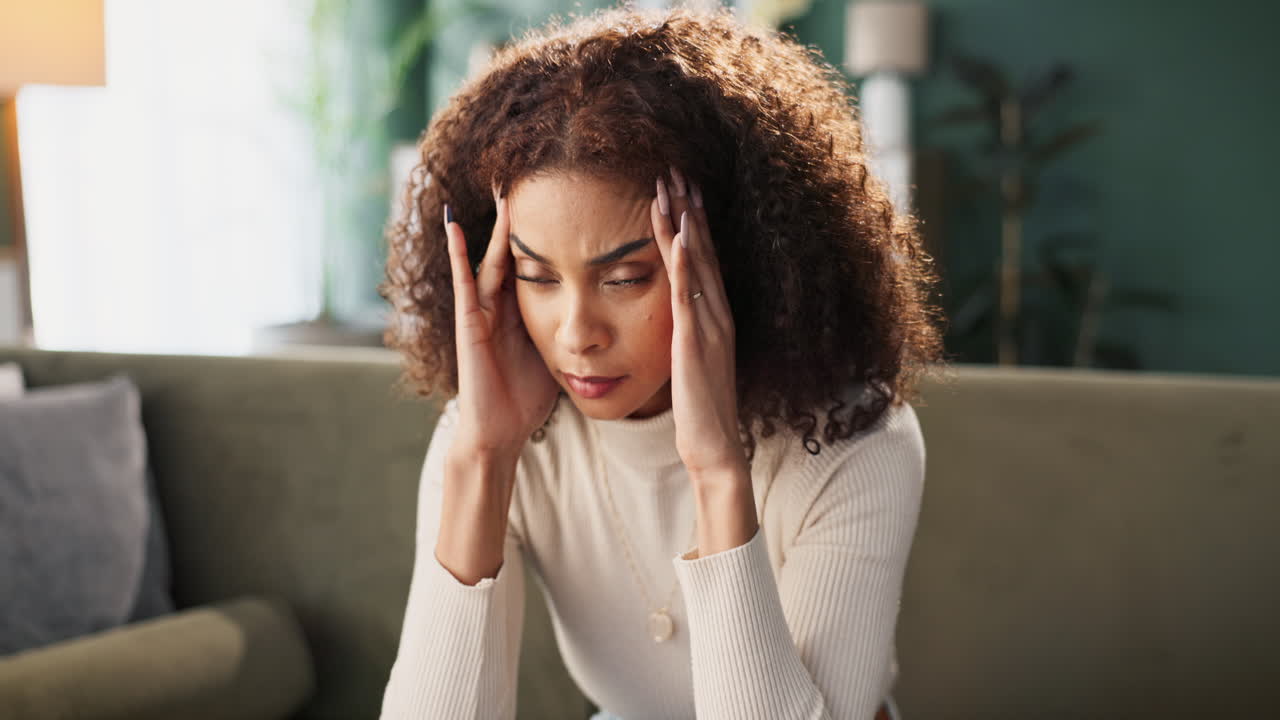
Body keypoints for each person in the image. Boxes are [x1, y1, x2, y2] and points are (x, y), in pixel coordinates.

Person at [378, 4, 946, 719]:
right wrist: (485, 461)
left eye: (625, 278)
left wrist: (716, 472)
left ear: (732, 264)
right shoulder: (494, 433)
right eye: (538, 276)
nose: (576, 334)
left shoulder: (853, 439)